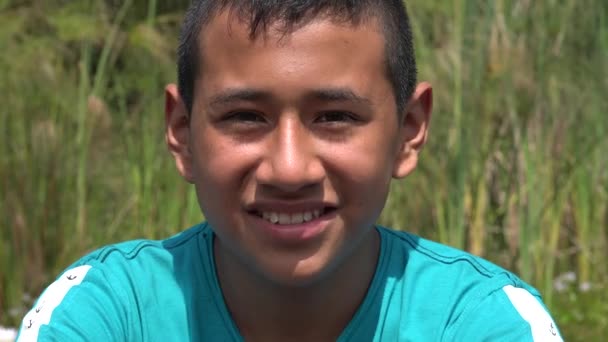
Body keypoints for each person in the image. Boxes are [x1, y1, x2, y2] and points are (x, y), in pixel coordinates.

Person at [17, 1, 563, 341]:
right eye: (244, 117)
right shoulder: (107, 315)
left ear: (408, 130)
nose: (289, 167)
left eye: (336, 117)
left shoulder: (481, 323)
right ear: (182, 132)